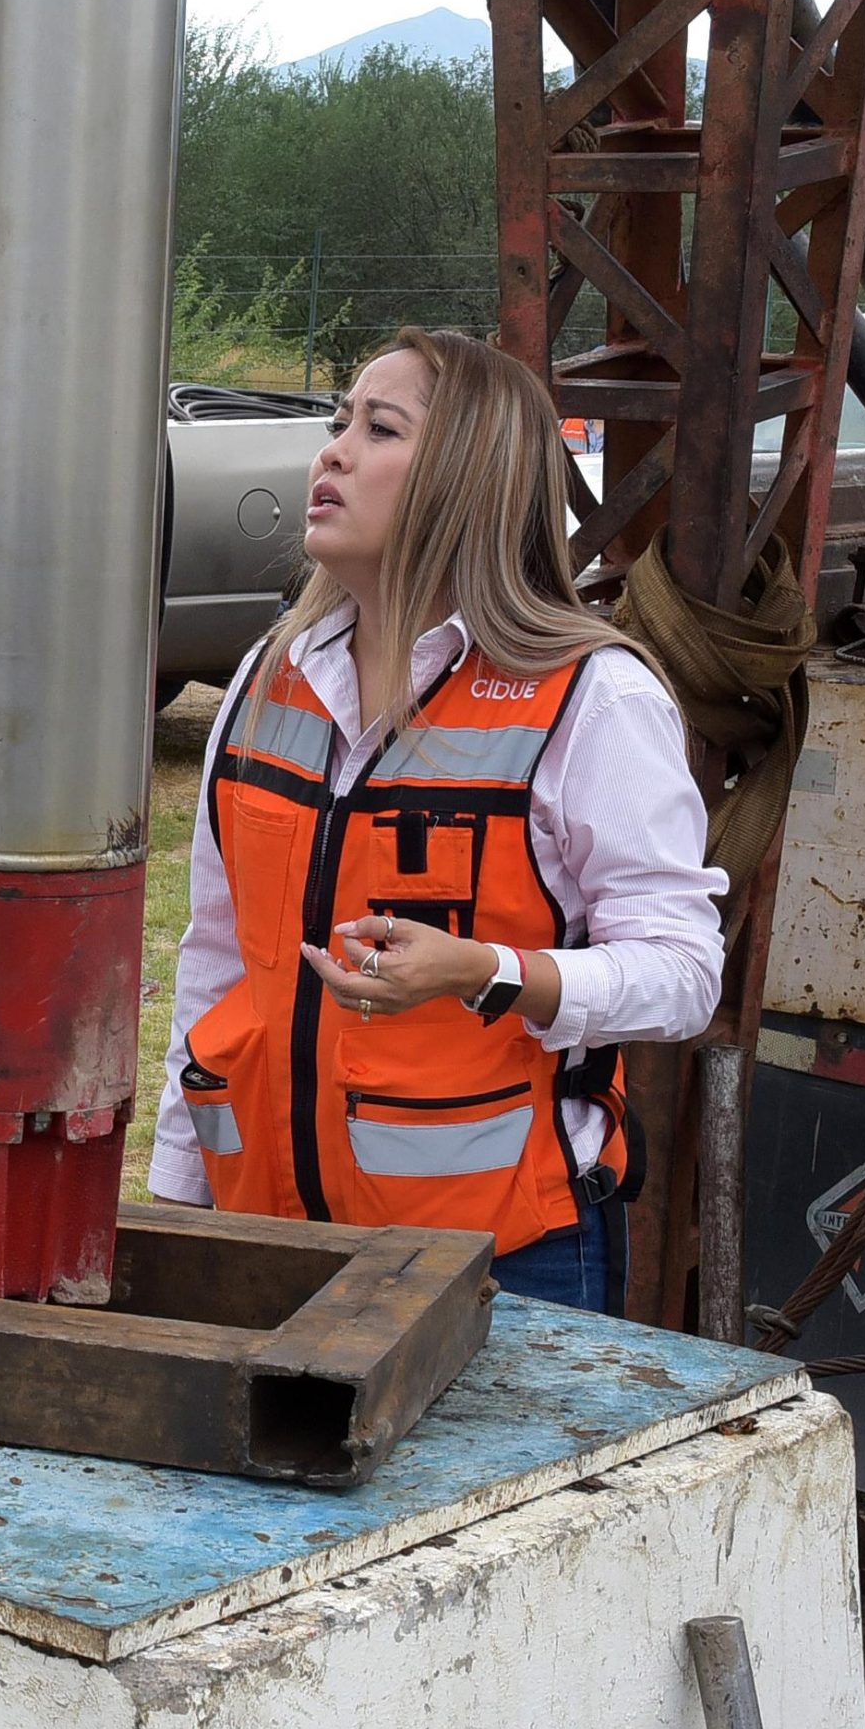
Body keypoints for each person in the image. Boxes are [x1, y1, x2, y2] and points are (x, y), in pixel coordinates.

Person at [147, 327, 726, 1313]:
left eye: (378, 428)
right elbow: (215, 961)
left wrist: (487, 973)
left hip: (502, 1267)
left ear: (469, 476)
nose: (330, 450)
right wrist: (172, 1203)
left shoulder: (590, 699)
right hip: (265, 1244)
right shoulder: (262, 679)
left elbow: (683, 976)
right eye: (336, 424)